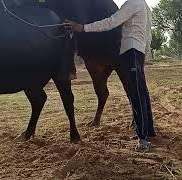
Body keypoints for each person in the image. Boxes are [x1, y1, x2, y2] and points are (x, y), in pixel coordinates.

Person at [64, 0, 156, 151]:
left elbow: (111, 22)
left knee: (137, 94)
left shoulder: (132, 3)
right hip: (138, 51)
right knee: (142, 92)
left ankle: (143, 139)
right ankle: (149, 131)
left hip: (130, 51)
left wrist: (82, 28)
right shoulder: (142, 4)